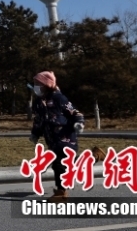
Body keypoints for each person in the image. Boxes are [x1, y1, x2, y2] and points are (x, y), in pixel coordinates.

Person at [29, 70, 85, 202]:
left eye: (38, 83)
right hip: (52, 140)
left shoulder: (59, 98)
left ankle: (61, 192)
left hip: (65, 137)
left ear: (46, 84)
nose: (35, 86)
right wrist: (35, 133)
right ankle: (94, 155)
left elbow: (75, 112)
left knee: (58, 164)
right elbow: (38, 120)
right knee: (66, 163)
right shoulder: (38, 102)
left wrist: (79, 123)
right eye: (34, 83)